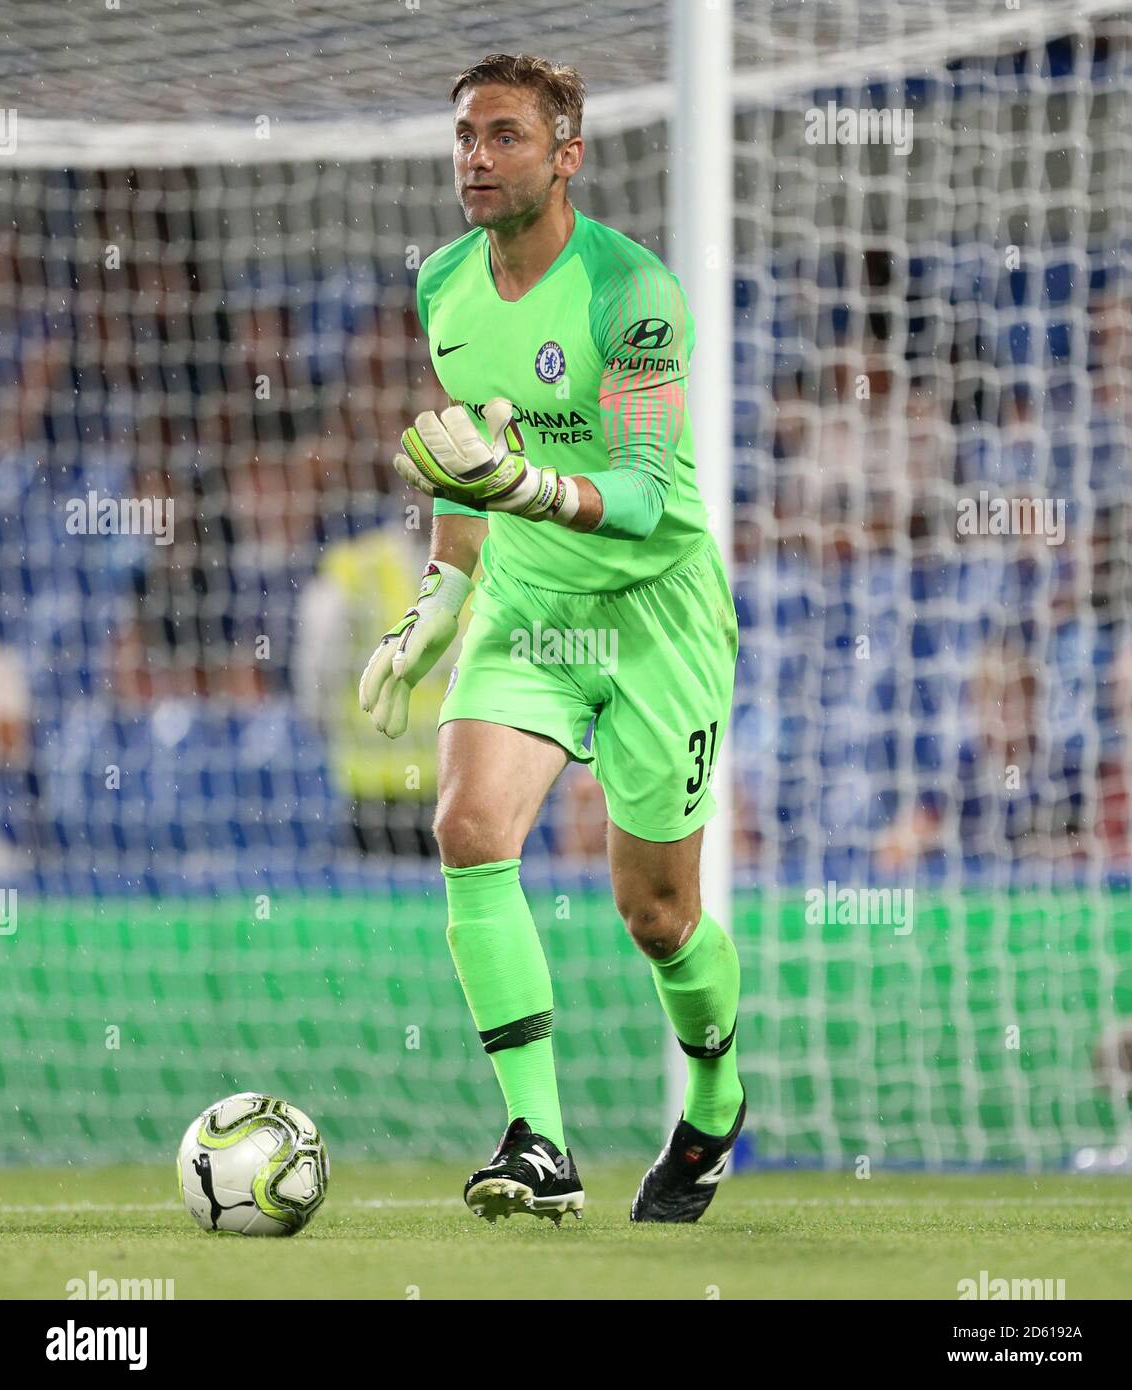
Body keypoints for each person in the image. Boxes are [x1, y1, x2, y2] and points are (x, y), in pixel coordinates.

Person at [359, 53, 743, 1224]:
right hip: (528, 611)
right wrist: (437, 598)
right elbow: (469, 468)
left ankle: (716, 1099)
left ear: (565, 155)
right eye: (465, 135)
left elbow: (634, 496)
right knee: (468, 827)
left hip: (652, 617)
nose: (476, 157)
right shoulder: (441, 290)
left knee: (656, 915)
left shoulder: (629, 294)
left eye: (505, 136)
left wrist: (520, 483)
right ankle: (540, 1142)